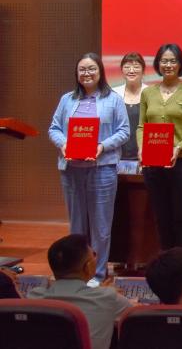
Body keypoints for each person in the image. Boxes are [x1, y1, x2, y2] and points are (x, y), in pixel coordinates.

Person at [48, 53, 129, 285]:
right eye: (82, 69)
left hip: (101, 169)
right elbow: (54, 128)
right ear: (77, 74)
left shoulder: (113, 100)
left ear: (100, 72)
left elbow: (124, 131)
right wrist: (63, 144)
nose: (87, 73)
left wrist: (102, 146)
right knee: (77, 225)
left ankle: (98, 273)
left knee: (100, 226)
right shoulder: (67, 100)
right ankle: (76, 271)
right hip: (71, 169)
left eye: (92, 68)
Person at [138, 43, 182, 249]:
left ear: (180, 64)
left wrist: (179, 147)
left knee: (181, 218)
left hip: (181, 164)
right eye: (164, 61)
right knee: (161, 217)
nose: (168, 65)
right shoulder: (148, 93)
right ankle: (166, 261)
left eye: (173, 61)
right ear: (158, 64)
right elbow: (141, 126)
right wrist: (141, 148)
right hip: (153, 165)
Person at [27, 234, 132, 349]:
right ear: (88, 267)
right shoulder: (107, 297)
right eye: (94, 255)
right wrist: (109, 292)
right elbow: (133, 319)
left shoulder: (34, 297)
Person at [113, 52, 147, 160]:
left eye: (136, 67)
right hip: (117, 155)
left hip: (145, 154)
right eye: (127, 67)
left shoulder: (151, 93)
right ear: (122, 70)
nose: (131, 71)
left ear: (143, 71)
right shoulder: (113, 94)